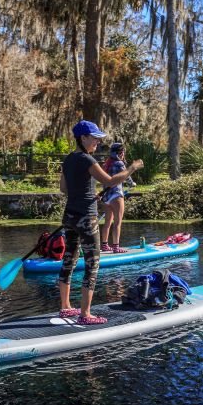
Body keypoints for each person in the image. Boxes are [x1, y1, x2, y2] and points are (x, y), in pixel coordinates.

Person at [58, 120, 144, 324]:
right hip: (86, 219)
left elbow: (64, 189)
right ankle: (85, 315)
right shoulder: (88, 160)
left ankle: (65, 307)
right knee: (92, 264)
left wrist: (87, 195)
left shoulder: (68, 160)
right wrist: (132, 167)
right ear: (83, 138)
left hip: (69, 216)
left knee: (68, 260)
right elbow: (111, 181)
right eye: (94, 138)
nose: (98, 141)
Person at [100, 142, 136, 253]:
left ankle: (104, 246)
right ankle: (116, 247)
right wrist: (132, 184)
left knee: (107, 223)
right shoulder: (119, 163)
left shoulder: (107, 163)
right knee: (117, 223)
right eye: (123, 152)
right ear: (121, 152)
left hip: (106, 197)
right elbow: (126, 176)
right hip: (116, 195)